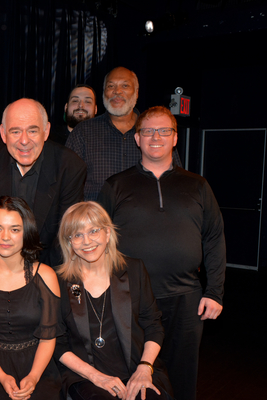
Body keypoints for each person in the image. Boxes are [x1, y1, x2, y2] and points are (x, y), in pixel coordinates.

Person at [98, 106, 225, 400]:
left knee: (182, 381)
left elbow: (214, 238)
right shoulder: (115, 185)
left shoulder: (198, 185)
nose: (156, 136)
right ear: (137, 139)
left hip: (186, 299)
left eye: (164, 130)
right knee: (134, 380)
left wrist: (215, 291)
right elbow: (98, 241)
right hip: (131, 299)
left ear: (175, 138)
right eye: (148, 131)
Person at [55, 201, 173, 400]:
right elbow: (56, 342)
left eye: (93, 231)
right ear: (69, 243)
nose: (86, 241)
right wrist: (97, 377)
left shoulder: (134, 270)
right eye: (77, 235)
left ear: (107, 233)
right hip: (85, 376)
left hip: (136, 367)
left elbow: (153, 325)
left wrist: (144, 369)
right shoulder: (59, 281)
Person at [0, 196, 61, 400]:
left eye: (15, 229)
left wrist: (33, 377)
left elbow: (48, 337)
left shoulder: (46, 275)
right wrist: (2, 377)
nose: (5, 237)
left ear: (27, 232)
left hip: (37, 366)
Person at [0, 98, 86, 267]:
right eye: (15, 132)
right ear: (3, 134)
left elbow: (66, 234)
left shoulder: (70, 166)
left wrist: (42, 279)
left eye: (32, 131)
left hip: (48, 268)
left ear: (46, 131)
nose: (24, 141)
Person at [65, 67, 181, 201]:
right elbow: (66, 184)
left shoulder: (155, 132)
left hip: (144, 218)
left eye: (125, 86)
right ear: (104, 93)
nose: (117, 91)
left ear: (136, 93)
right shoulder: (83, 132)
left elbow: (175, 180)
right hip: (96, 219)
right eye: (111, 86)